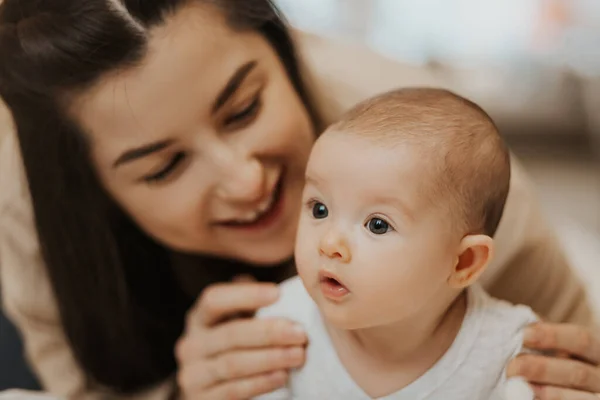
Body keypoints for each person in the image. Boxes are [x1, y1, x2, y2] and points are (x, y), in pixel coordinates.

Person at [0, 1, 598, 399]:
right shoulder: (32, 213)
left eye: (244, 110)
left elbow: (575, 353)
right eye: (167, 165)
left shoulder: (444, 164)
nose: (244, 181)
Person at [256, 87, 539, 399]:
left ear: (463, 262)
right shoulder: (281, 325)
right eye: (319, 209)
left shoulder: (511, 354)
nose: (329, 242)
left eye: (377, 225)